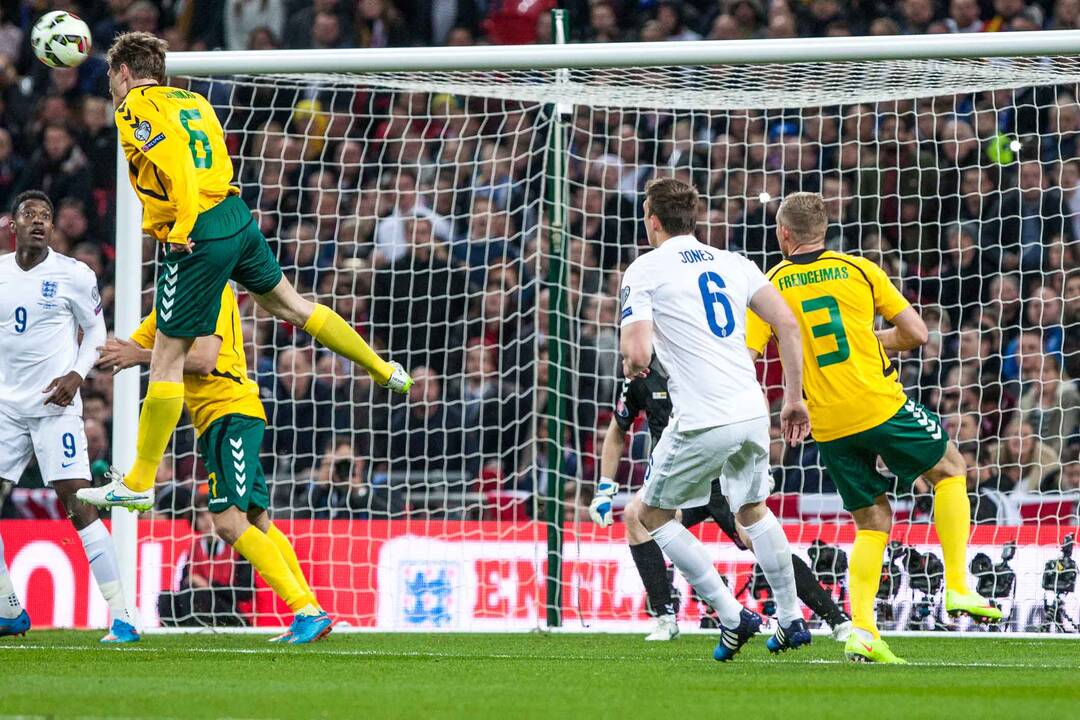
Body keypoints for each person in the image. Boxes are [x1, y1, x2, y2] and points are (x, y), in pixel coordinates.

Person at [77, 32, 411, 514]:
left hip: (198, 233)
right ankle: (383, 369)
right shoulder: (193, 101)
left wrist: (183, 225)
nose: (110, 84)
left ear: (124, 72)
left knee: (166, 359)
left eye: (111, 74)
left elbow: (174, 163)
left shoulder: (133, 107)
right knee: (293, 306)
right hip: (236, 216)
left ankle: (138, 481)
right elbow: (211, 157)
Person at [745, 192, 1002, 665]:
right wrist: (869, 339)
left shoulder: (770, 283)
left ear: (784, 234)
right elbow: (918, 335)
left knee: (871, 520)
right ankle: (959, 586)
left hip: (825, 422)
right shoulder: (859, 269)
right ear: (825, 229)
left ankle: (862, 630)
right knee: (951, 468)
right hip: (877, 404)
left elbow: (750, 353)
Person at [618, 177, 812, 662]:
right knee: (753, 510)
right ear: (695, 219)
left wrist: (633, 365)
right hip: (753, 413)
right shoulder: (734, 262)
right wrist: (792, 398)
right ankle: (790, 620)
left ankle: (731, 615)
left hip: (703, 418)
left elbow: (637, 352)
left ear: (653, 221)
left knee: (650, 514)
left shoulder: (644, 269)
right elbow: (788, 324)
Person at [97, 284, 332, 644]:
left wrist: (141, 357)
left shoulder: (210, 288)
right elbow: (131, 344)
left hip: (230, 413)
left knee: (227, 523)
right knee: (257, 521)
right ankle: (312, 611)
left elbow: (205, 360)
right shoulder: (175, 296)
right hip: (217, 421)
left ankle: (305, 610)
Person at [589, 355, 851, 642]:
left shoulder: (703, 358)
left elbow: (753, 396)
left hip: (721, 477)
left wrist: (759, 464)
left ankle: (836, 619)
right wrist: (604, 488)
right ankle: (666, 618)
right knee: (635, 516)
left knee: (756, 538)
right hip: (681, 482)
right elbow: (617, 429)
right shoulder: (641, 375)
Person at [0, 190, 137, 643]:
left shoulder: (75, 275)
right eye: (30, 215)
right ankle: (9, 610)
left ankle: (122, 617)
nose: (39, 221)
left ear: (53, 227)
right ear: (12, 225)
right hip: (6, 408)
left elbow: (95, 328)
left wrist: (77, 375)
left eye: (46, 215)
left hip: (55, 408)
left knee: (77, 505)